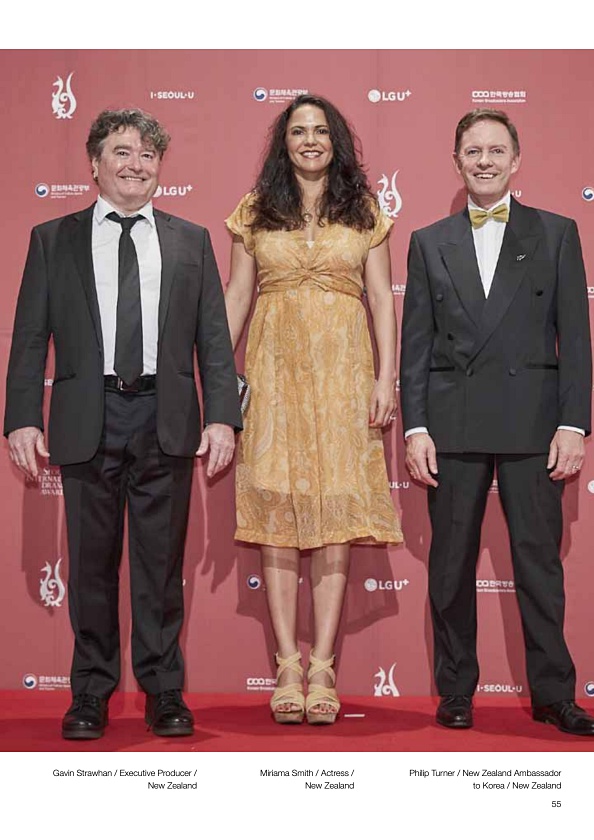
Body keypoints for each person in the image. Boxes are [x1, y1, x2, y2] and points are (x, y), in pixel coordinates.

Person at [4, 108, 242, 740]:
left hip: (167, 417)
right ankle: (90, 693)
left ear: (160, 167)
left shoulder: (191, 240)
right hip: (88, 417)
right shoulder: (52, 239)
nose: (136, 165)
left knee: (160, 568)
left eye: (147, 155)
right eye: (122, 152)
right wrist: (22, 418)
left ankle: (164, 692)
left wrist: (222, 417)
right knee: (90, 566)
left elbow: (214, 342)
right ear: (95, 164)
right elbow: (28, 339)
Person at [400, 108, 594, 735]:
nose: (484, 161)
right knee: (450, 567)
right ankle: (456, 690)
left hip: (533, 425)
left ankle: (554, 694)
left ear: (516, 160)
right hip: (451, 425)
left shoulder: (557, 233)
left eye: (495, 151)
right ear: (457, 161)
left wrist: (574, 424)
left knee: (539, 565)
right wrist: (415, 427)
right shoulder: (429, 241)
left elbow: (576, 338)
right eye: (473, 151)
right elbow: (416, 346)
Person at [224, 94, 402, 725]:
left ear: (336, 141)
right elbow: (236, 297)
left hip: (344, 379)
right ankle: (285, 666)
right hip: (273, 377)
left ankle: (322, 665)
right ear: (284, 142)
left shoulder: (364, 210)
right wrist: (217, 382)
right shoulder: (254, 210)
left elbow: (381, 300)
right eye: (298, 131)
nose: (310, 140)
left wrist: (386, 378)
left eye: (320, 130)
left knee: (333, 515)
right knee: (275, 512)